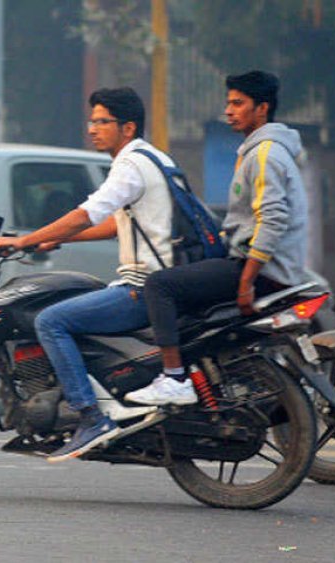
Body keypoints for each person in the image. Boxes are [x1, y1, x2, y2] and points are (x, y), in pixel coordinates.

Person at [0, 87, 177, 463]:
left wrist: (26, 240)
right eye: (91, 121)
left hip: (145, 287)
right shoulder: (154, 158)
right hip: (164, 282)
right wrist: (55, 241)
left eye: (102, 121)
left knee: (52, 320)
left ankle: (91, 416)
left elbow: (87, 214)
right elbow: (113, 226)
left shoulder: (130, 164)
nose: (92, 129)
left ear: (127, 127)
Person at [126, 70, 308, 406]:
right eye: (228, 103)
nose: (229, 110)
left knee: (159, 285)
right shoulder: (259, 150)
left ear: (262, 108)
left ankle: (174, 378)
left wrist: (246, 282)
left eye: (238, 103)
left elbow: (272, 220)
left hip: (262, 272)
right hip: (257, 265)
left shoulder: (265, 153)